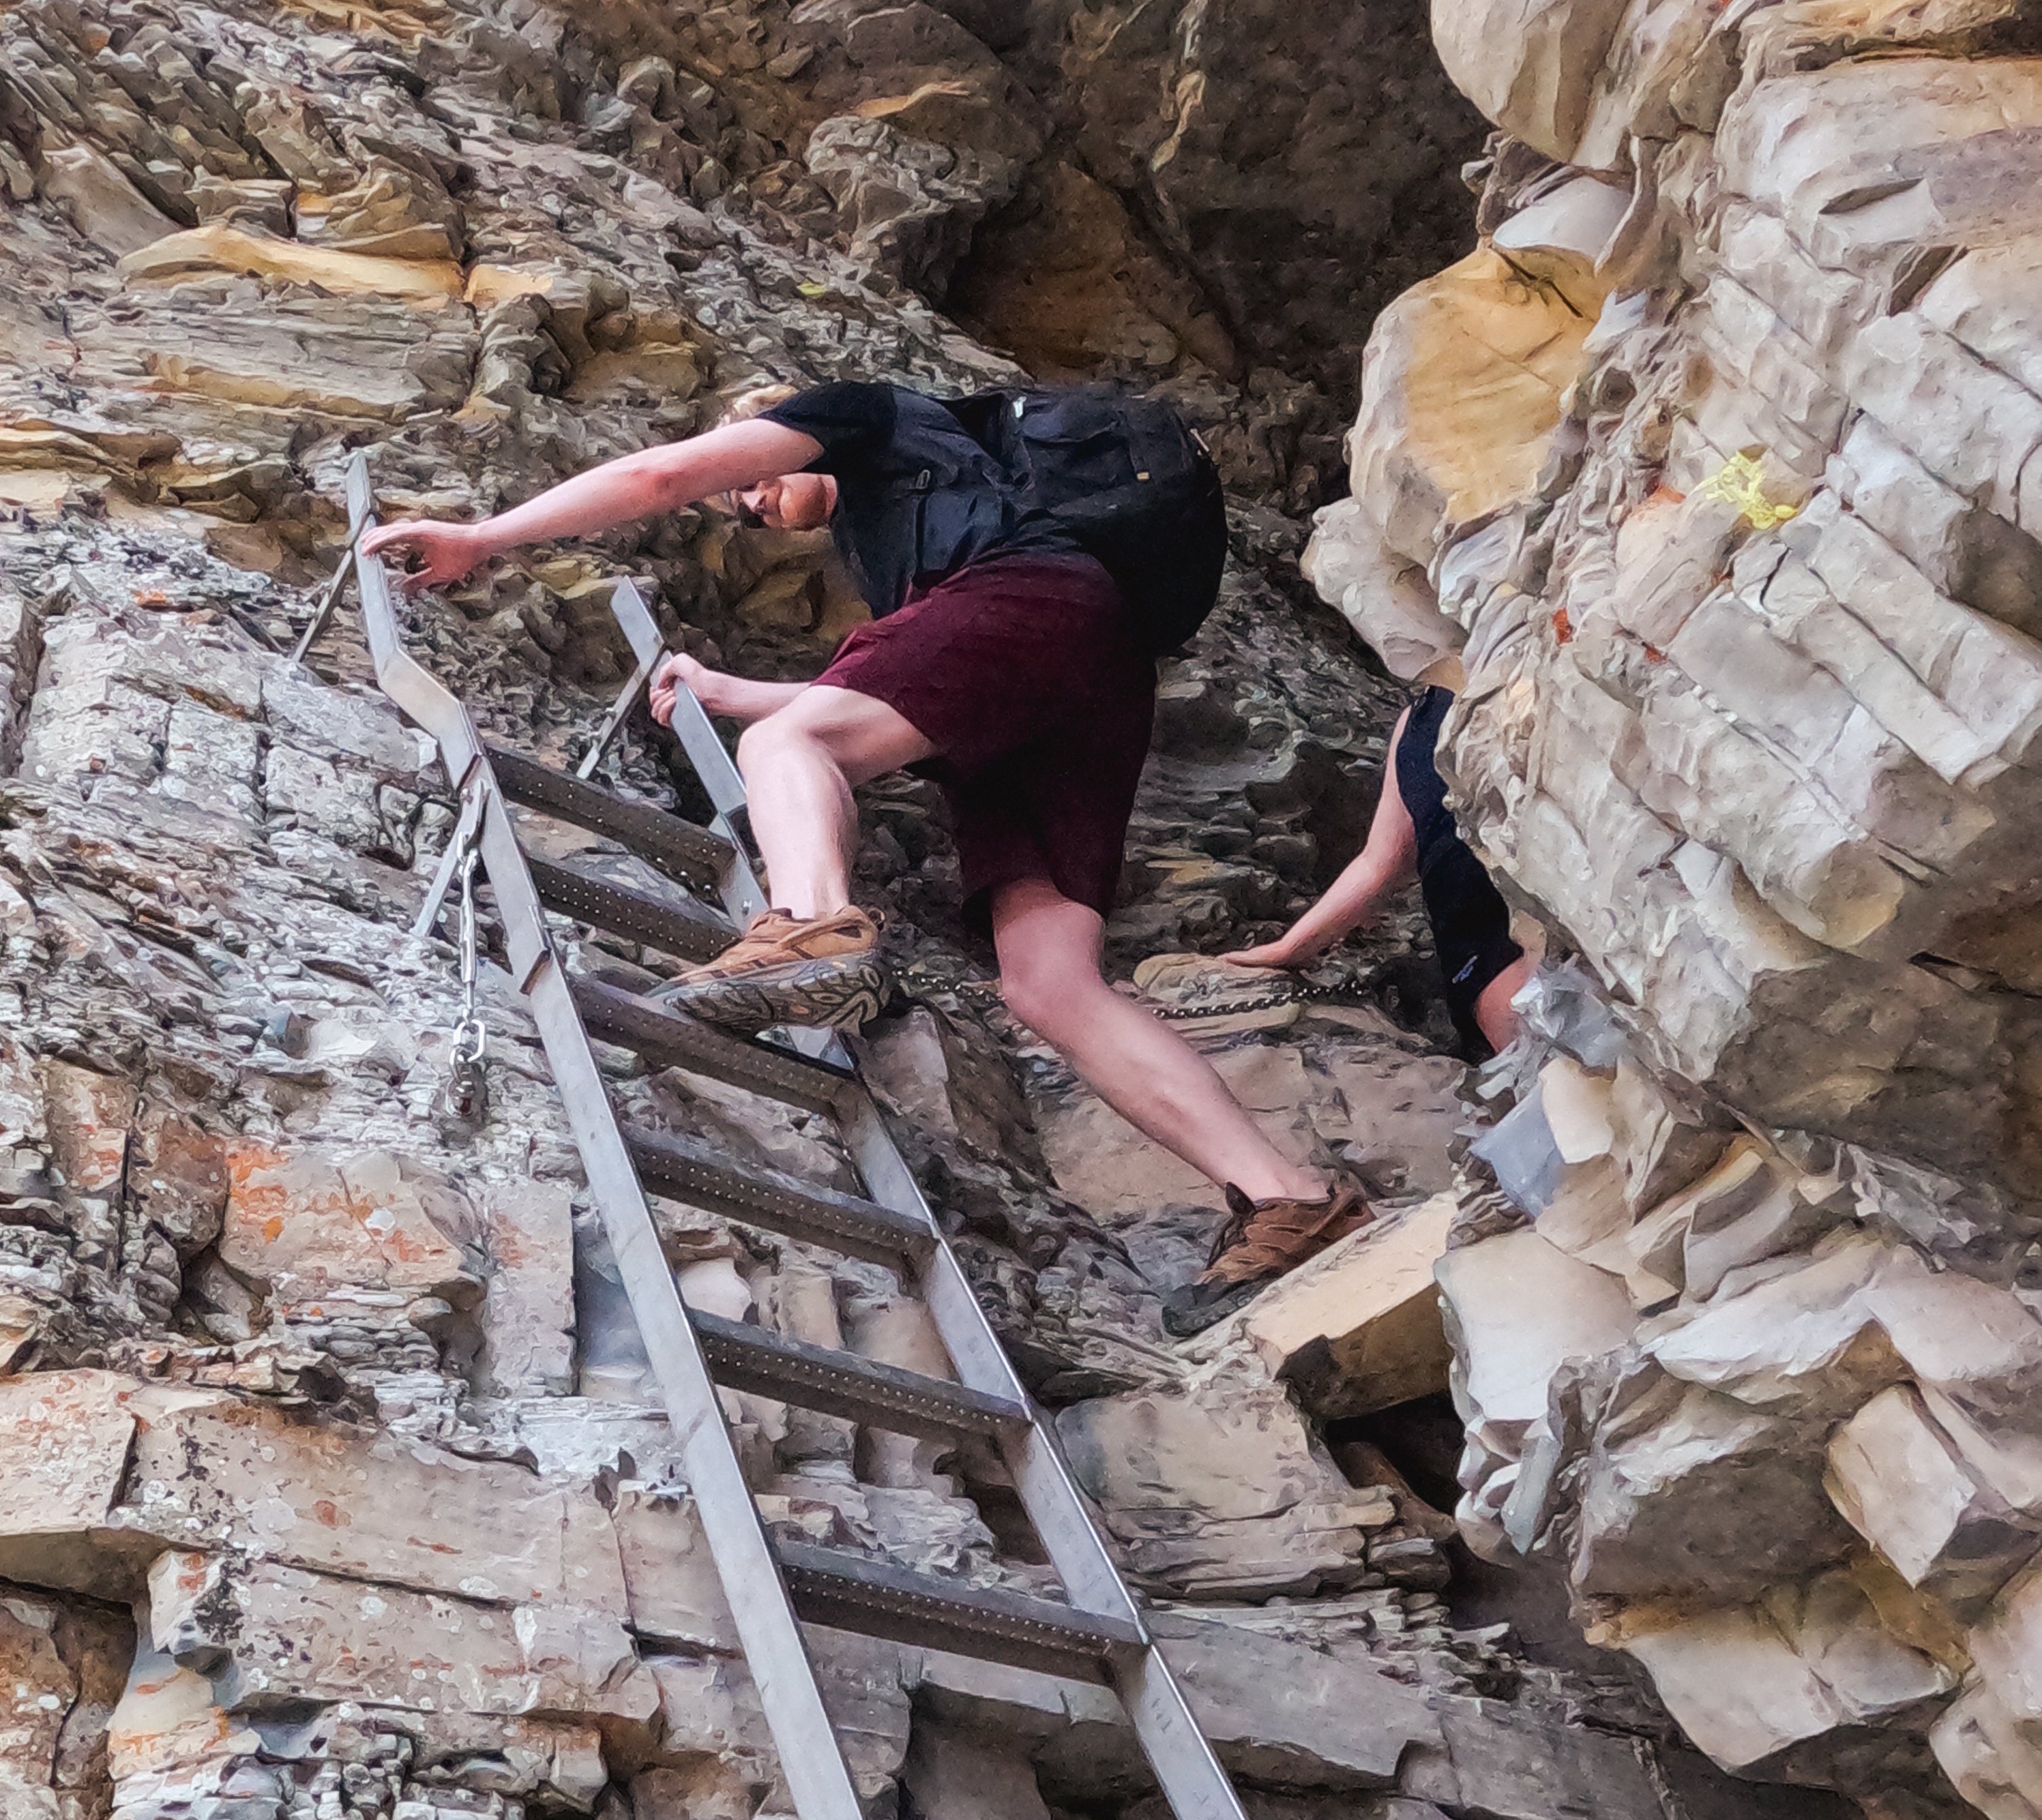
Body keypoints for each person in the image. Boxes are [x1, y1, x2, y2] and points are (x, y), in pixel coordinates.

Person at [364, 378, 1374, 1303]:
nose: (752, 504)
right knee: (1048, 981)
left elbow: (662, 476)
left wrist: (482, 537)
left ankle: (809, 929)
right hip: (1089, 662)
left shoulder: (865, 414)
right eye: (742, 509)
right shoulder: (930, 529)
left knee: (792, 743)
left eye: (752, 479)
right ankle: (1287, 1193)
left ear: (778, 424)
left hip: (1032, 608)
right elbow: (898, 699)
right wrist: (723, 693)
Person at [1221, 662, 1530, 1054]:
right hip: (1475, 957)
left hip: (1523, 947)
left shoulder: (1528, 694)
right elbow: (1379, 863)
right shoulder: (1418, 722)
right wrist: (1289, 949)